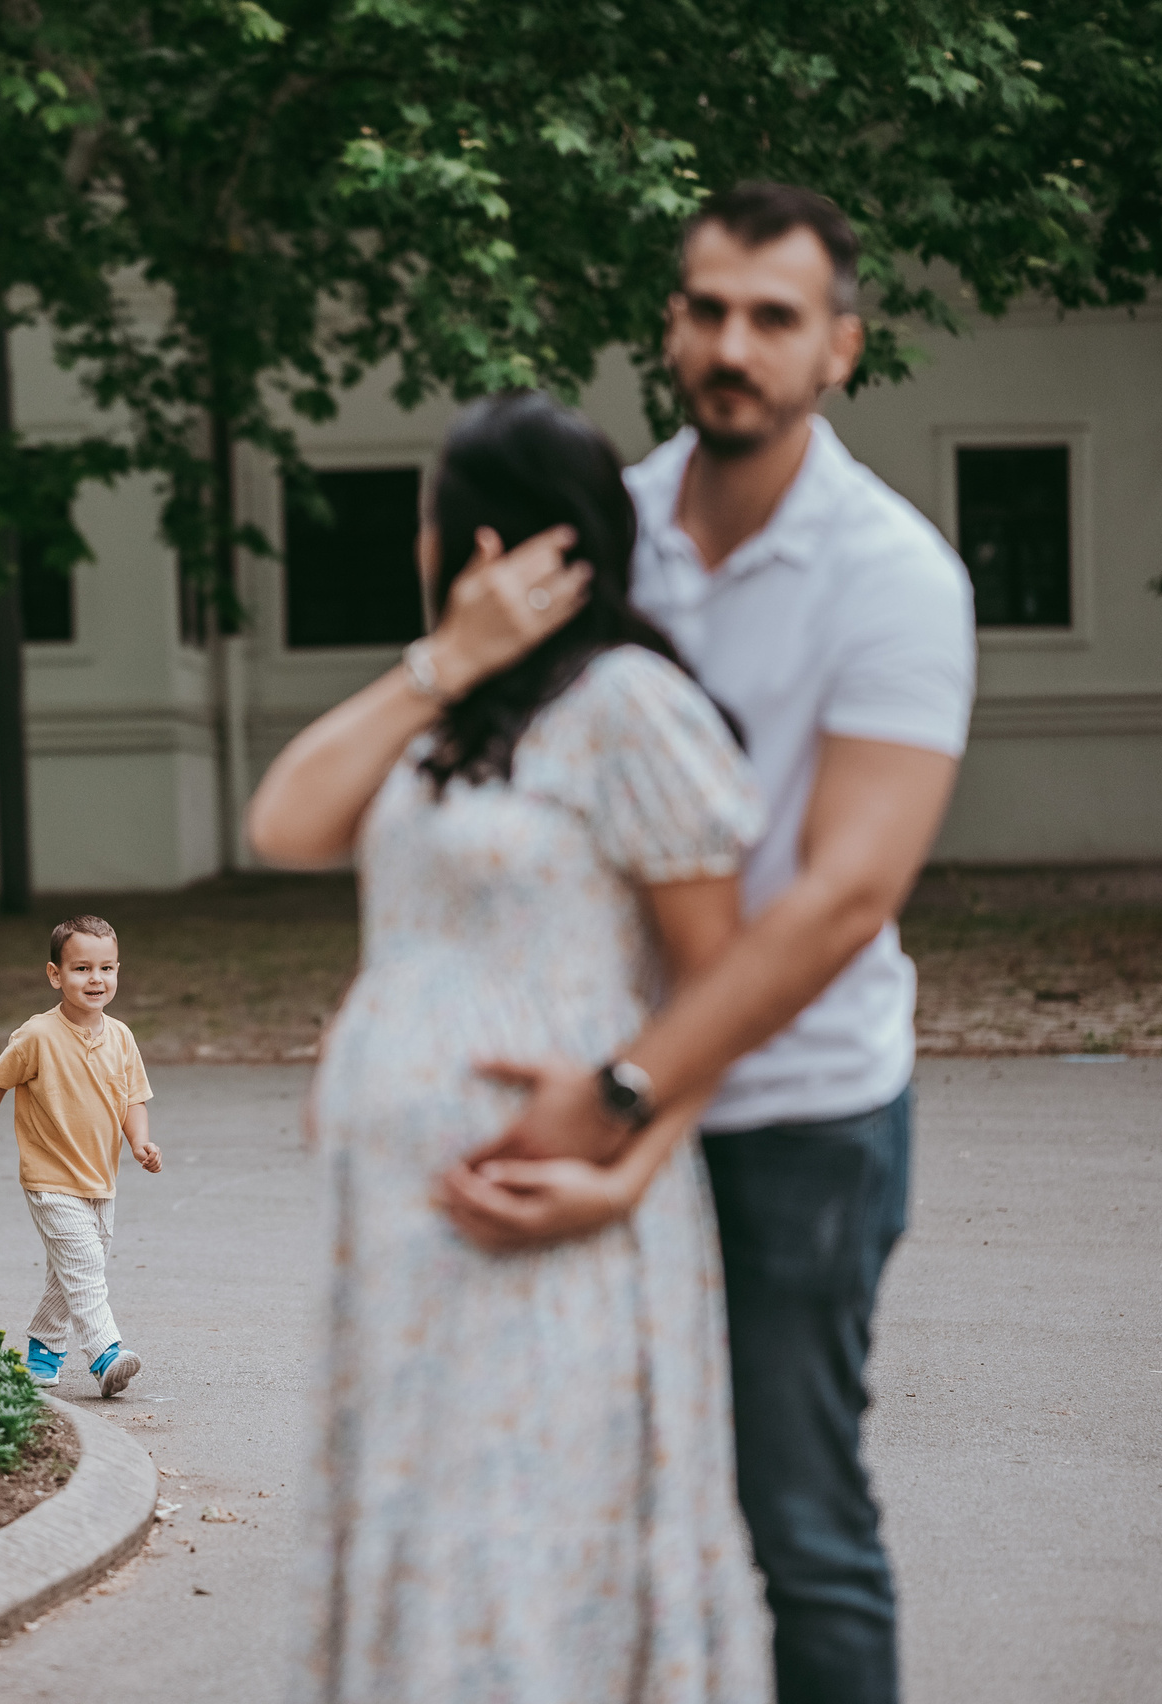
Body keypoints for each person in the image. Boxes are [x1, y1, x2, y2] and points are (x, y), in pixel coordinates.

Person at [447, 182, 975, 1704]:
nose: (732, 345)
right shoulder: (600, 536)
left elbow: (838, 902)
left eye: (774, 318)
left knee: (799, 1523)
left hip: (803, 1116)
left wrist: (624, 1092)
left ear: (841, 348)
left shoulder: (896, 579)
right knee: (585, 1504)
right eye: (707, 310)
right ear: (672, 322)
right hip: (587, 1072)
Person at [248, 390, 771, 1703]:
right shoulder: (442, 725)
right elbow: (285, 822)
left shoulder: (631, 707)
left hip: (548, 1212)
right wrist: (442, 661)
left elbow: (726, 981)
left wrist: (628, 1158)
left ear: (478, 539)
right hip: (402, 1236)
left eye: (428, 519)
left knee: (528, 1539)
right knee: (429, 1531)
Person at [0, 914, 162, 1399]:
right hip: (49, 1178)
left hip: (100, 1177)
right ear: (55, 975)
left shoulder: (122, 1037)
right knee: (85, 1263)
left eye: (106, 968)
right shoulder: (37, 1036)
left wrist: (139, 1143)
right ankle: (105, 1353)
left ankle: (43, 1352)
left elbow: (133, 1097)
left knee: (69, 1270)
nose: (96, 980)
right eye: (82, 969)